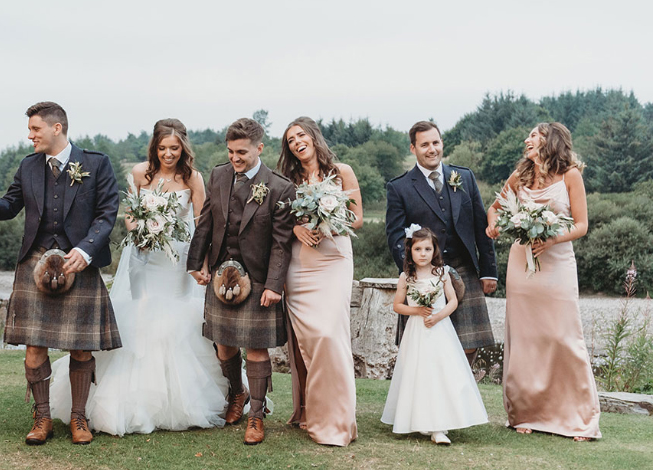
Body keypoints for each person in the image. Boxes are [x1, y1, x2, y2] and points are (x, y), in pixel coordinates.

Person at [49, 119, 228, 434]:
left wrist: (203, 263)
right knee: (141, 313)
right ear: (154, 147)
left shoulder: (194, 179)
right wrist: (140, 231)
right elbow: (130, 214)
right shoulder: (139, 174)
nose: (168, 154)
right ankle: (126, 398)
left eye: (174, 148)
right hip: (144, 257)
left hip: (178, 259)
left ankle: (178, 398)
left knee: (174, 317)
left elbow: (203, 223)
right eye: (162, 148)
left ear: (183, 147)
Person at [0, 101, 121, 445]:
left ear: (56, 128)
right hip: (35, 264)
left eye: (35, 129)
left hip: (79, 262)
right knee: (34, 348)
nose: (30, 135)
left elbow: (107, 214)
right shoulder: (29, 166)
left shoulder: (96, 163)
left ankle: (79, 418)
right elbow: (10, 205)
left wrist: (86, 249)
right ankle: (42, 417)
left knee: (80, 348)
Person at [486, 122, 601, 441]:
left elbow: (581, 225)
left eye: (534, 135)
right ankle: (526, 411)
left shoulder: (570, 176)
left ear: (551, 141)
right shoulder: (519, 177)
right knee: (526, 338)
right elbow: (493, 209)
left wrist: (551, 241)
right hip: (522, 265)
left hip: (557, 264)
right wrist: (494, 226)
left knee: (562, 336)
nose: (527, 139)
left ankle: (578, 417)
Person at [187, 118, 297, 445]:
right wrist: (197, 264)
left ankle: (256, 416)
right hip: (222, 275)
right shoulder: (219, 175)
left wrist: (275, 285)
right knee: (223, 344)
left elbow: (281, 243)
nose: (236, 158)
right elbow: (206, 222)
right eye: (231, 151)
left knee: (257, 349)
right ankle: (238, 393)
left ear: (260, 148)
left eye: (243, 152)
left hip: (259, 278)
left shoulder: (279, 187)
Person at [276, 117, 362, 447]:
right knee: (306, 339)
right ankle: (308, 410)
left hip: (334, 258)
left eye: (301, 135)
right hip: (300, 263)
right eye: (290, 139)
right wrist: (297, 228)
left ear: (313, 137)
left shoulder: (342, 172)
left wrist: (330, 221)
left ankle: (337, 418)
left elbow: (357, 218)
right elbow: (280, 222)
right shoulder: (287, 180)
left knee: (329, 333)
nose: (297, 141)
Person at [385, 121, 497, 362]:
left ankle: (461, 397)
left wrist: (489, 272)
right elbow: (395, 236)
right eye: (424, 144)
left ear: (442, 143)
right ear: (413, 148)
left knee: (470, 343)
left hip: (464, 266)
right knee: (426, 342)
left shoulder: (464, 177)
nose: (432, 149)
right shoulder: (399, 187)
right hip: (424, 273)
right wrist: (413, 274)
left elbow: (481, 227)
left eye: (436, 142)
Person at [381, 226, 488, 445]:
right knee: (419, 373)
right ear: (410, 251)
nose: (423, 253)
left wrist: (438, 316)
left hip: (440, 330)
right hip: (417, 331)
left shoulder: (442, 273)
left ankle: (439, 426)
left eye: (427, 249)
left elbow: (453, 301)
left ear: (434, 250)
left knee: (441, 372)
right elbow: (397, 306)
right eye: (418, 249)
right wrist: (417, 311)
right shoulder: (406, 277)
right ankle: (420, 420)